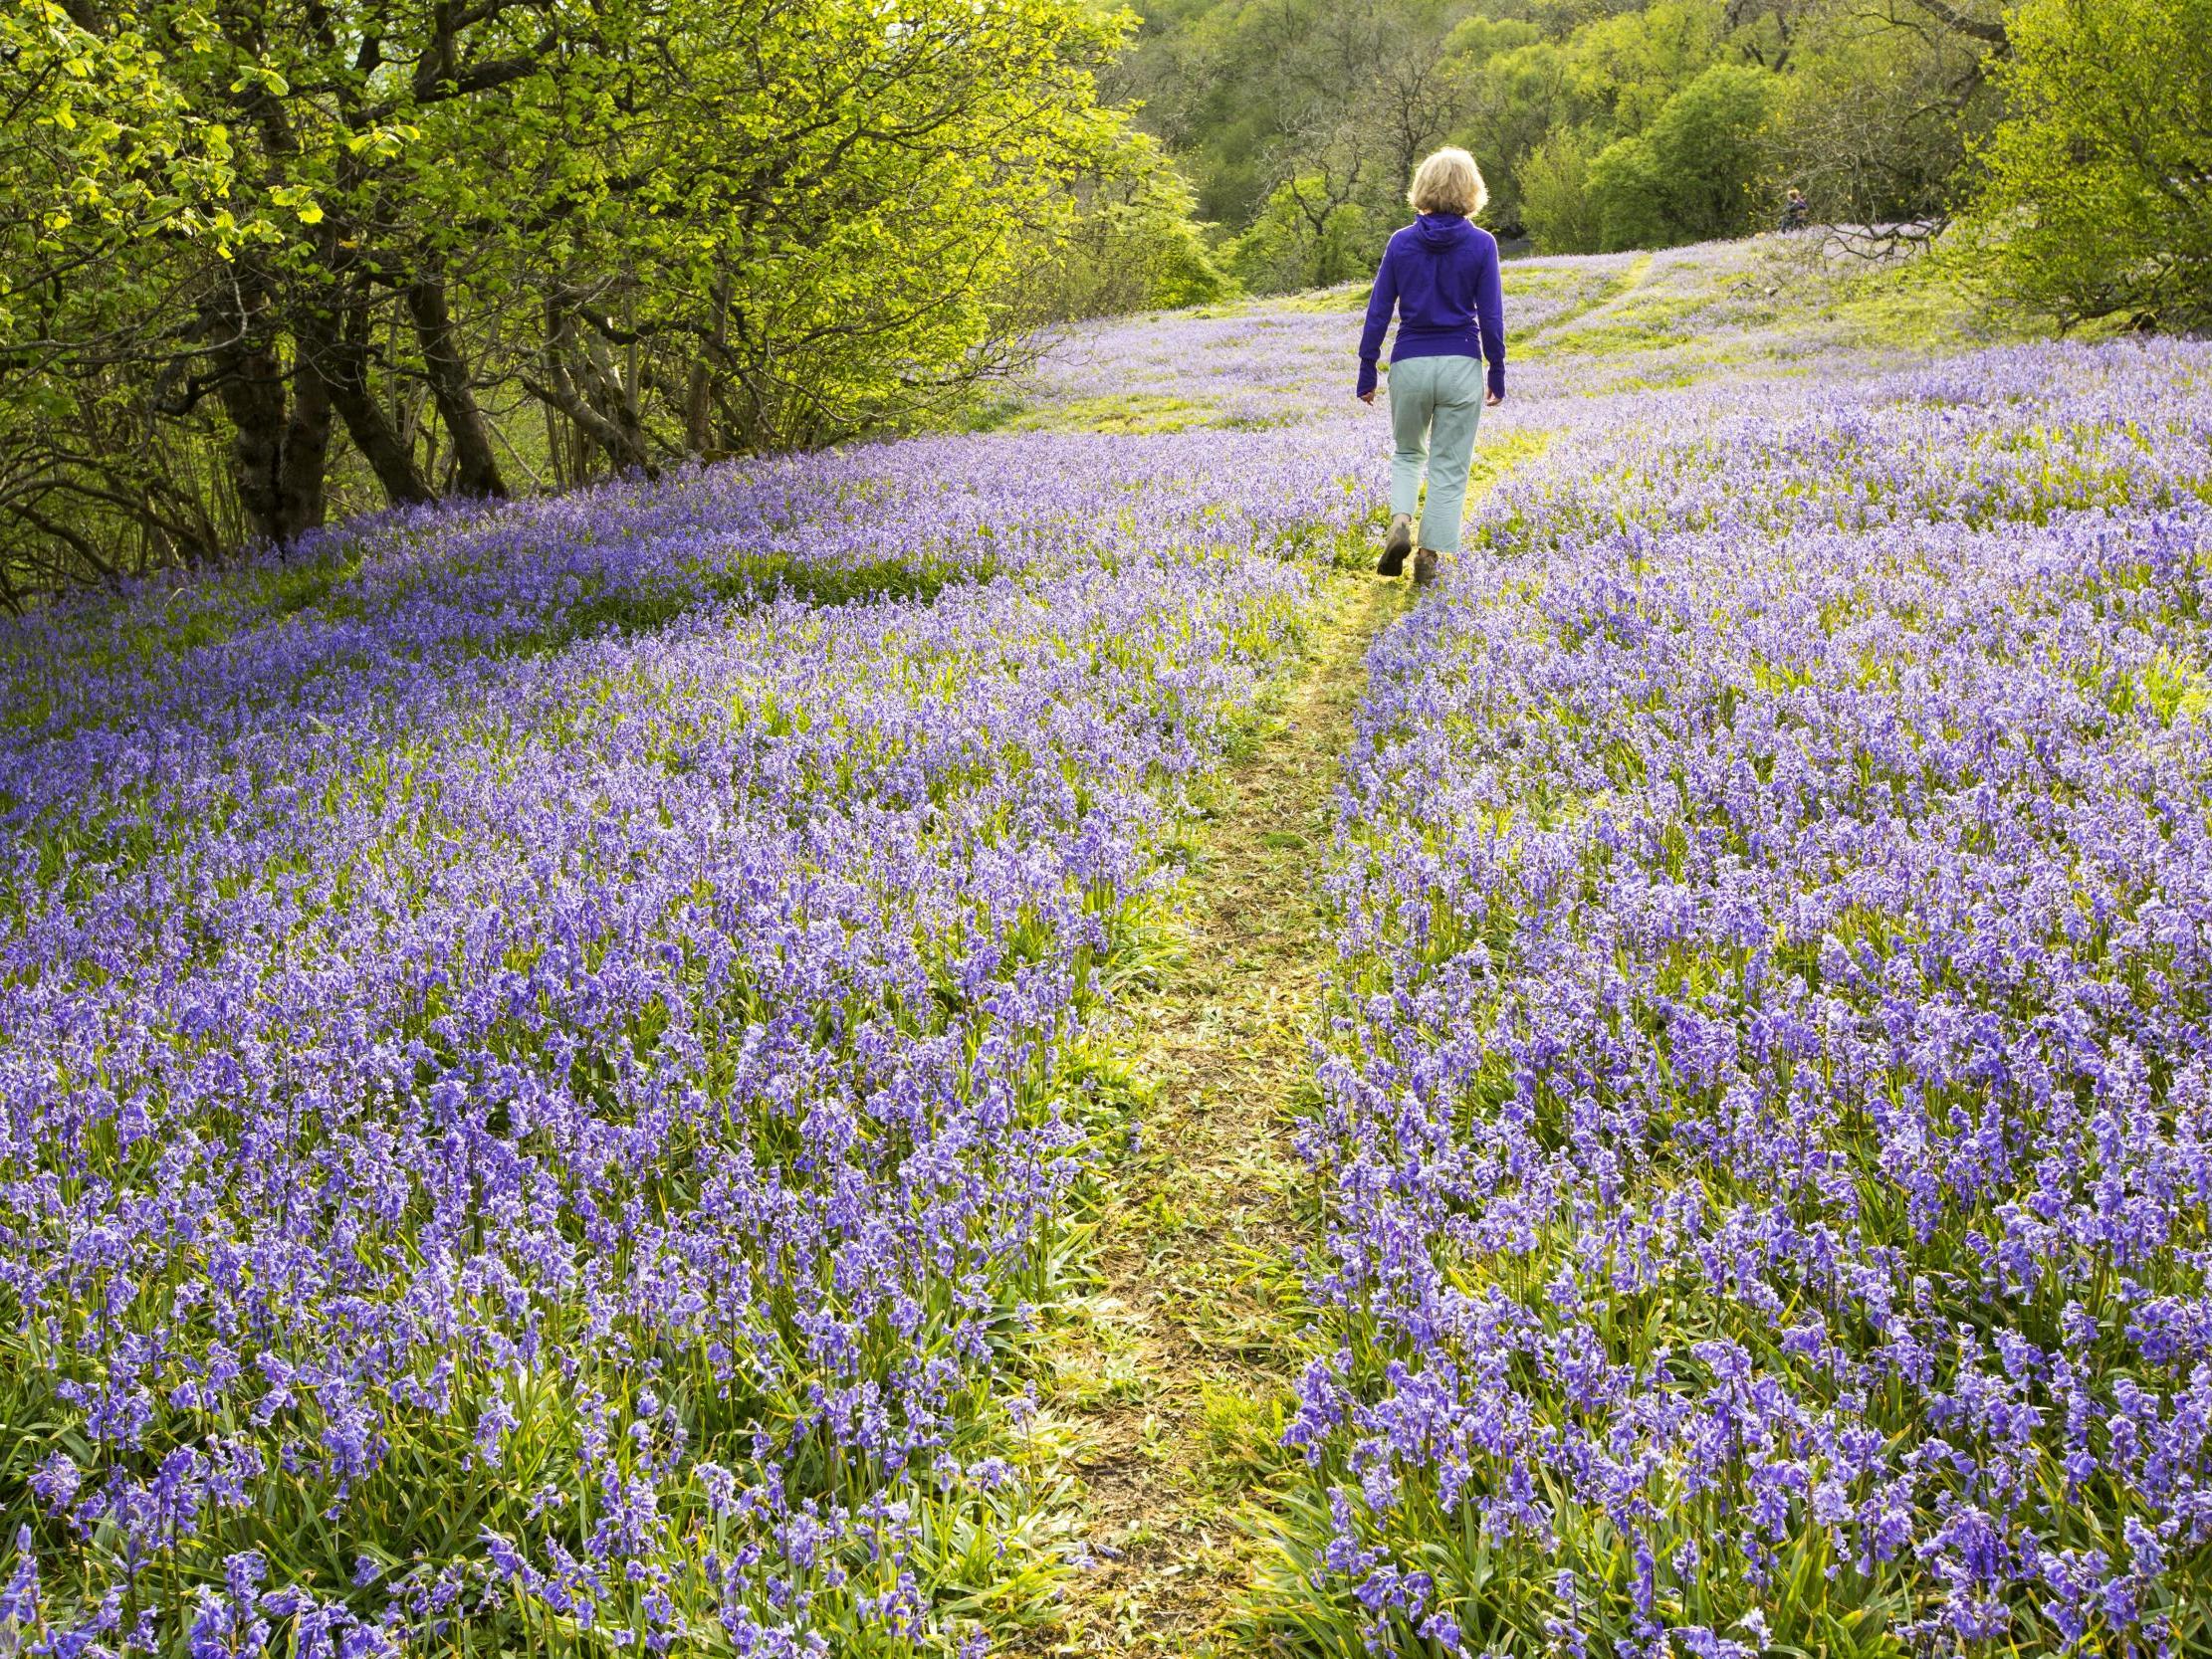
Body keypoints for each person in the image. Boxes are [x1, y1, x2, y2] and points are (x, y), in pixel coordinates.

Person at [1357, 146, 1505, 587]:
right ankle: (1428, 553)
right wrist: (1496, 368)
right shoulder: (1482, 244)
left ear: (1423, 187)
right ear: (1471, 191)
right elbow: (1492, 315)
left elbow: (1378, 310)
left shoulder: (1401, 242)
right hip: (1460, 362)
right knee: (1449, 463)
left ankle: (1400, 519)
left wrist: (1368, 366)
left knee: (1407, 452)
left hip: (1410, 362)